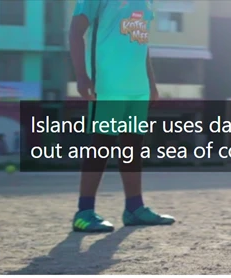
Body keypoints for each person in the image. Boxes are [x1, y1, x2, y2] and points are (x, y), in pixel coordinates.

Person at [68, 0, 174, 233]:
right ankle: (84, 212)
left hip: (137, 86)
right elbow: (76, 32)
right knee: (101, 144)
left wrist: (151, 82)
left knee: (133, 146)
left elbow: (141, 43)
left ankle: (134, 208)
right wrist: (82, 76)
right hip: (107, 83)